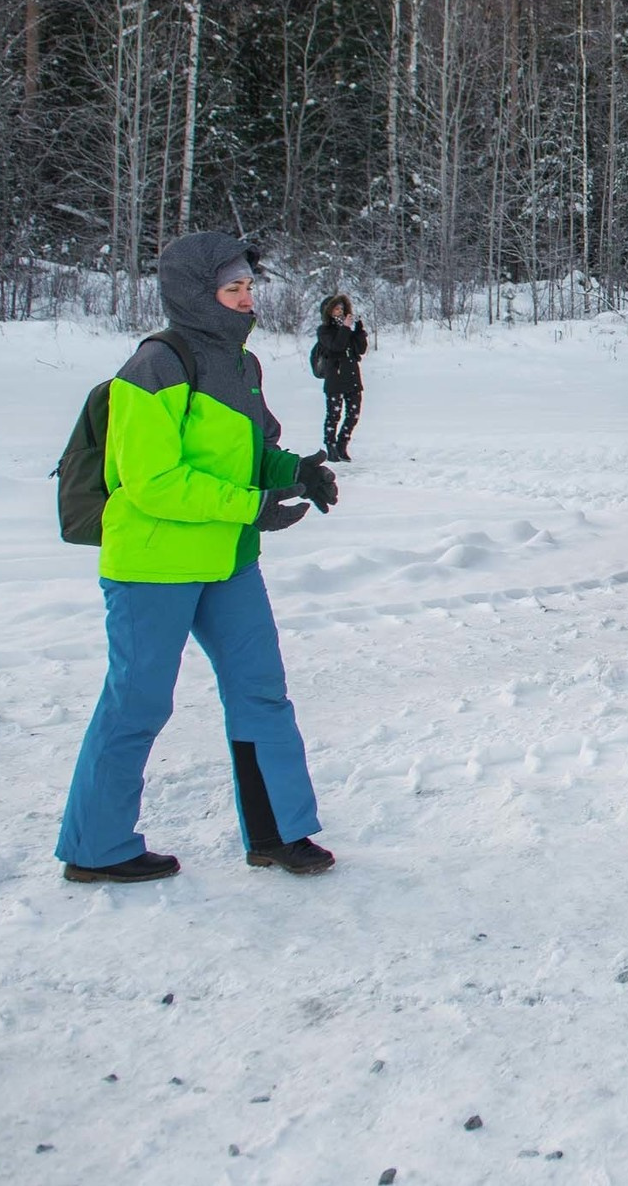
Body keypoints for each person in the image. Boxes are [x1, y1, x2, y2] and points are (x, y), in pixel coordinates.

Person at [55, 232, 341, 884]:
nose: (246, 298)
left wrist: (294, 472)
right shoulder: (154, 366)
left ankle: (278, 833)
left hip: (228, 559)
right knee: (137, 703)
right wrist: (251, 505)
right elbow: (152, 481)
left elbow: (248, 454)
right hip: (153, 564)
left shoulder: (243, 364)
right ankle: (96, 848)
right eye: (231, 288)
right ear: (193, 293)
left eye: (248, 286)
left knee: (261, 692)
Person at [312, 293, 370, 461]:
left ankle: (342, 443)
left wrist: (359, 330)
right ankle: (330, 445)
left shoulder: (348, 329)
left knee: (353, 414)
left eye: (342, 309)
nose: (340, 312)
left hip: (352, 376)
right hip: (335, 378)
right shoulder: (324, 331)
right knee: (333, 414)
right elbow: (336, 346)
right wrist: (345, 328)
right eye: (336, 309)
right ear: (328, 312)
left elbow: (360, 349)